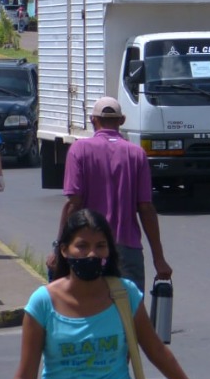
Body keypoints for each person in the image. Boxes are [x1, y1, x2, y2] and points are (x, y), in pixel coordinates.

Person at [11, 209, 197, 379]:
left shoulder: (125, 294)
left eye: (100, 246)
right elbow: (25, 377)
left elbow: (157, 352)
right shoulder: (43, 303)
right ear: (64, 250)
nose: (92, 254)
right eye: (82, 246)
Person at [50, 97, 171, 293]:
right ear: (121, 121)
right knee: (130, 314)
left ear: (93, 120)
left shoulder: (79, 150)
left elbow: (73, 204)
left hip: (89, 249)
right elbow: (146, 208)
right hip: (127, 247)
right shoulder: (136, 154)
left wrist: (59, 248)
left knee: (90, 310)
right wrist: (159, 259)